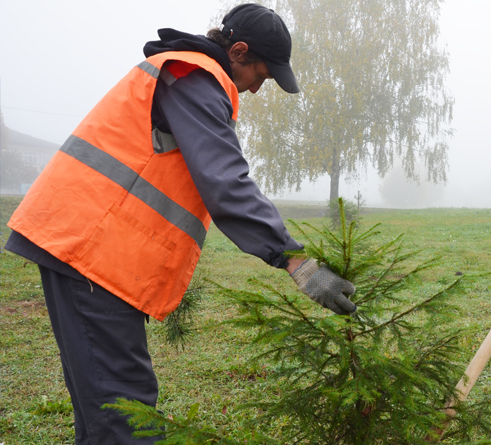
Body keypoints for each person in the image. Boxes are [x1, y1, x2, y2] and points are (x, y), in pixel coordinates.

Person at [5, 4, 355, 443]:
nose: (257, 90)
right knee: (125, 413)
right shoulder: (194, 78)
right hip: (89, 250)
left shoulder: (188, 78)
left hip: (91, 248)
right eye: (261, 76)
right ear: (239, 51)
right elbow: (226, 183)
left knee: (106, 407)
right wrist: (296, 263)